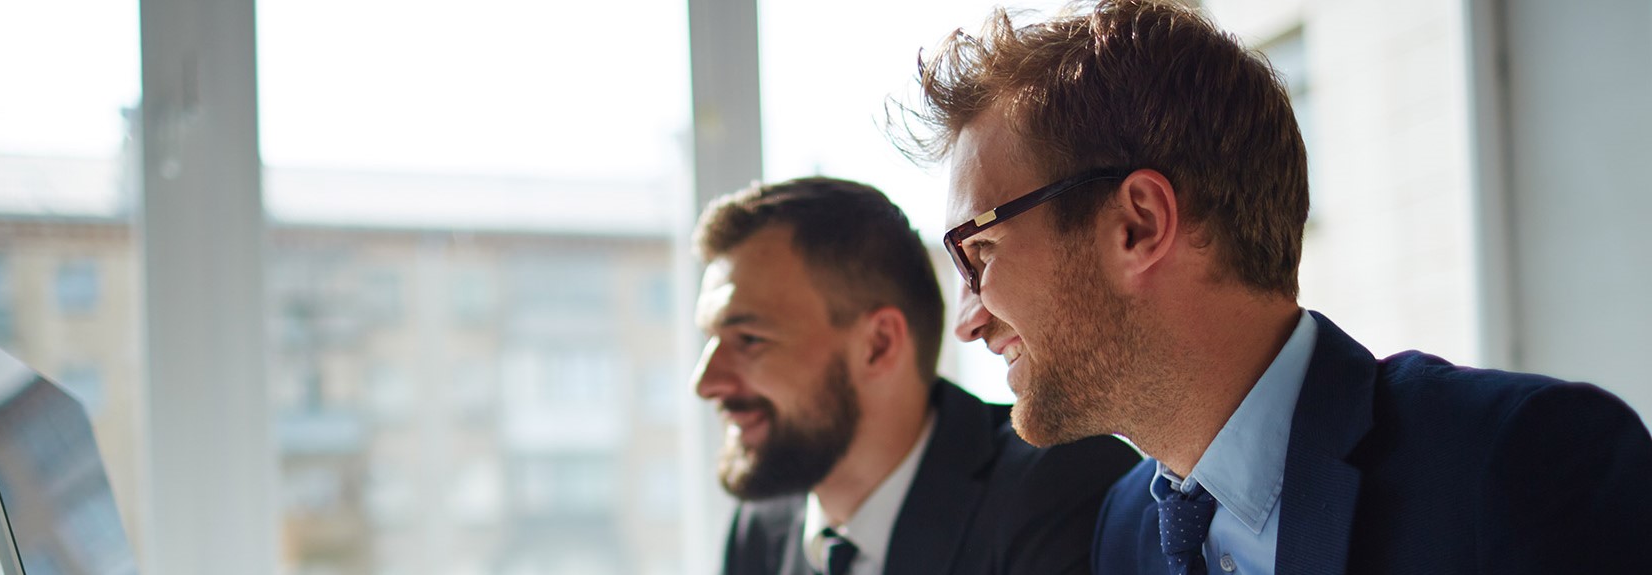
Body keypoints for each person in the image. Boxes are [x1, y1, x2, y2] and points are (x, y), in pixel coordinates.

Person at [896, 0, 1652, 573]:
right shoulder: (1124, 529)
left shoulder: (1522, 461)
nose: (965, 320)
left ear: (1137, 223)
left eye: (980, 250)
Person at [692, 176, 1141, 575]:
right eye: (710, 340)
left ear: (878, 345)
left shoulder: (1057, 489)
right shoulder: (760, 528)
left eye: (749, 339)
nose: (706, 381)